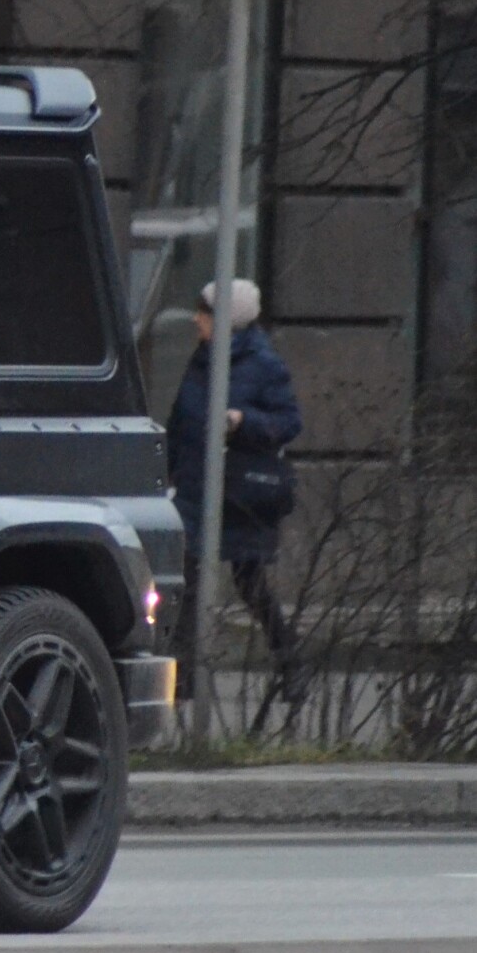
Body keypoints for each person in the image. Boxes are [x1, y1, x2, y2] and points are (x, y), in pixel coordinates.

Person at [166, 277, 305, 714]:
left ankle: (292, 664)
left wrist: (242, 421)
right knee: (183, 580)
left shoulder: (263, 364)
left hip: (240, 491)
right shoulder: (203, 358)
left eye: (204, 313)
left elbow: (288, 422)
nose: (195, 320)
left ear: (226, 320)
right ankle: (182, 676)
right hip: (194, 487)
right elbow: (181, 420)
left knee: (251, 584)